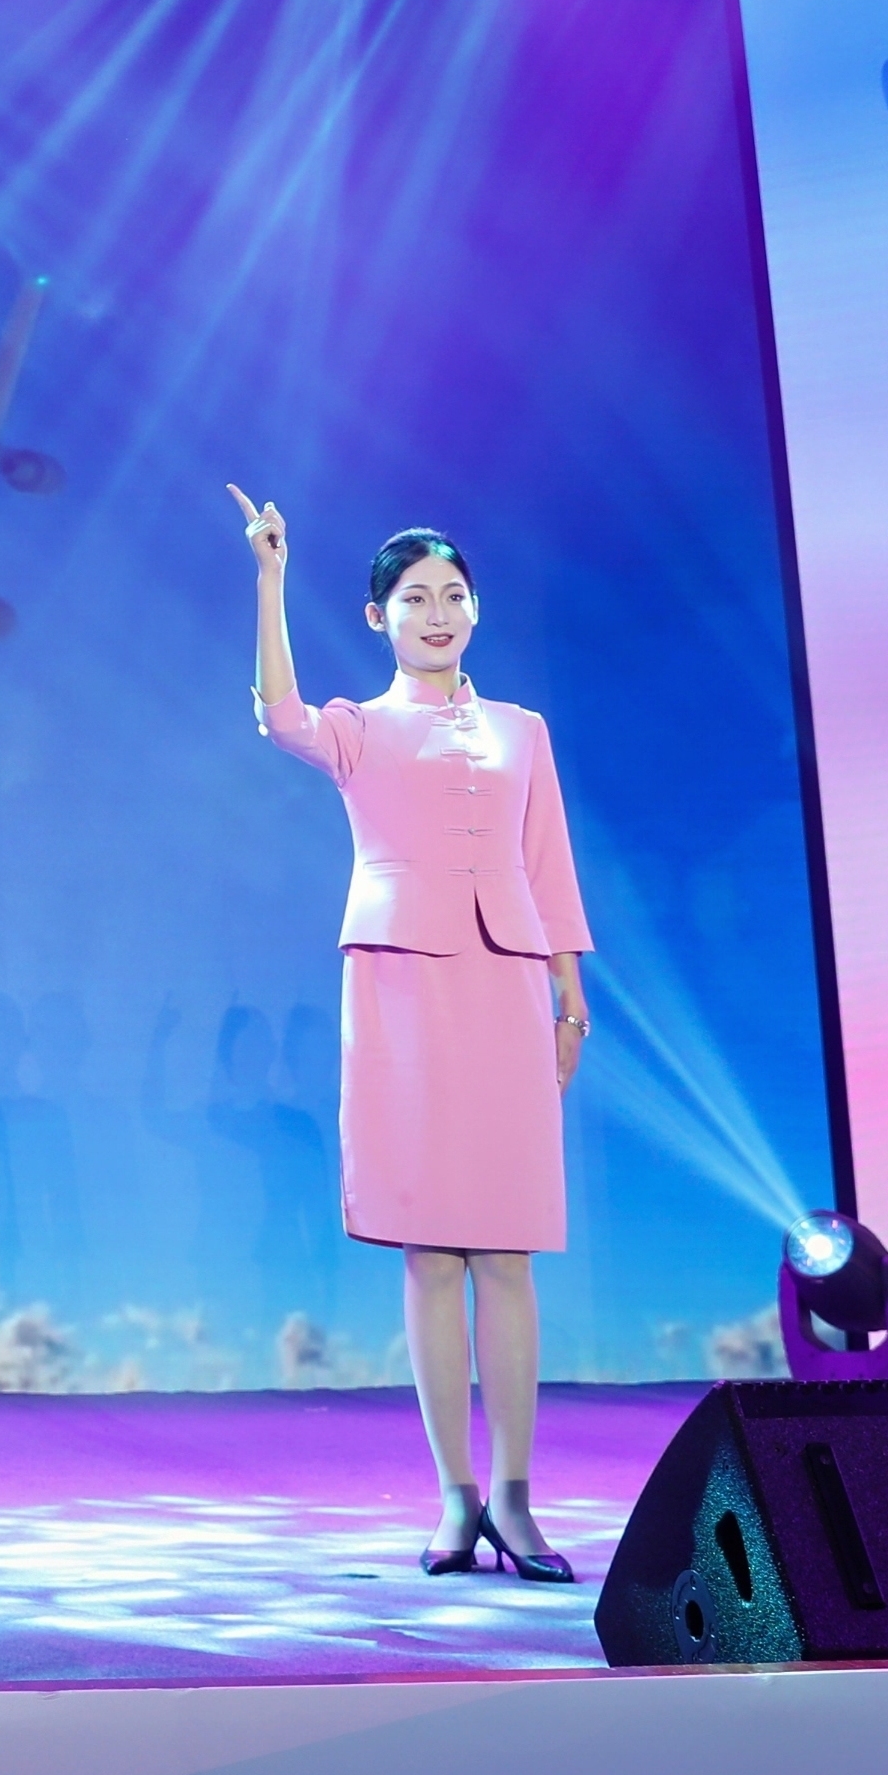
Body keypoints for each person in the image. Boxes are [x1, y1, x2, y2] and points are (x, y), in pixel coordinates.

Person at [233, 491, 592, 1583]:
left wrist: (568, 997)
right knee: (432, 1251)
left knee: (508, 1248)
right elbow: (277, 713)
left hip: (507, 981)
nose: (436, 613)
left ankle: (518, 1497)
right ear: (377, 616)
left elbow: (547, 867)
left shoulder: (523, 730)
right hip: (400, 985)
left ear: (475, 610)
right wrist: (269, 575)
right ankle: (455, 1497)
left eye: (452, 595)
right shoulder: (359, 725)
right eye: (413, 599)